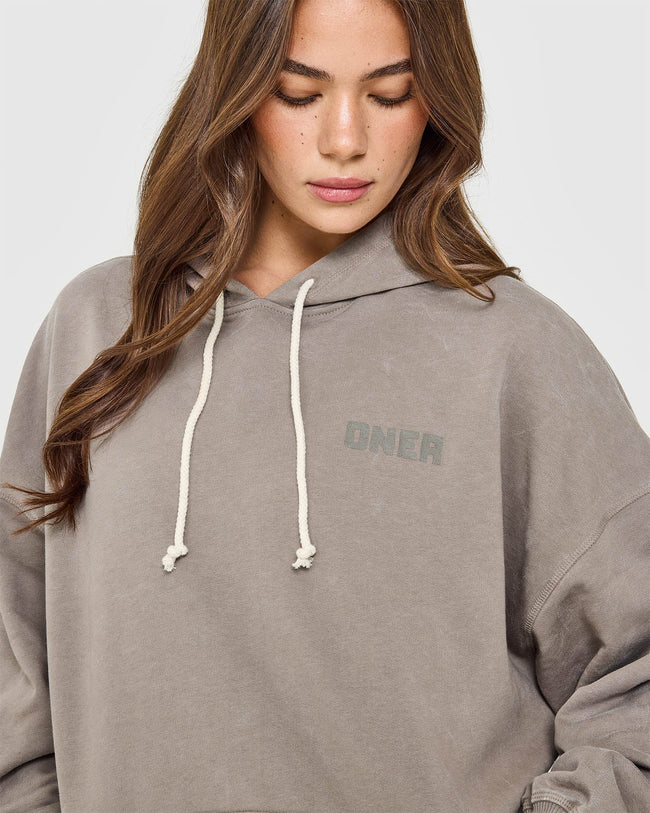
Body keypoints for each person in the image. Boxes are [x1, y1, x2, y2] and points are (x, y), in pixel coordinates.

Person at [1, 0, 648, 811]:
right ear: (234, 91)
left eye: (389, 94)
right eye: (299, 93)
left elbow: (635, 679)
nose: (345, 138)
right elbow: (16, 669)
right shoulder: (99, 331)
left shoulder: (516, 351)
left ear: (437, 101)